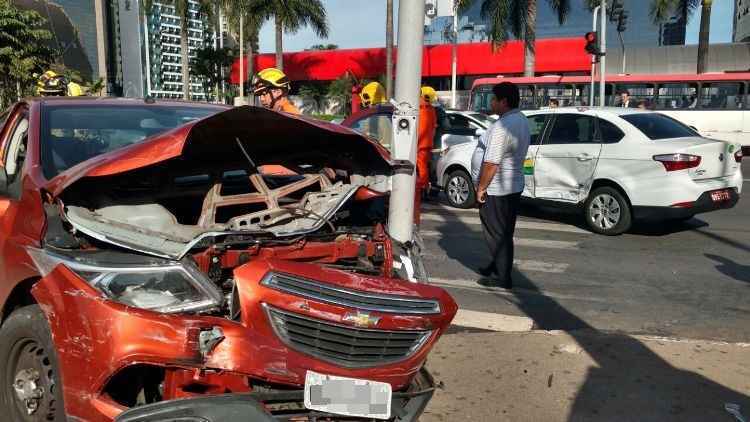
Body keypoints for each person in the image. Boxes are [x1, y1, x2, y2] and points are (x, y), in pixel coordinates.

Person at [471, 82, 530, 289]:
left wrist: (481, 188)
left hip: (496, 189)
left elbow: (491, 161)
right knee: (503, 231)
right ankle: (496, 266)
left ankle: (502, 277)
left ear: (503, 102)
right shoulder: (520, 119)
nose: (491, 102)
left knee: (497, 233)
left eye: (494, 99)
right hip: (512, 186)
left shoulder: (503, 127)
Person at [414, 86, 437, 225]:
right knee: (425, 167)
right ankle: (425, 188)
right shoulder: (431, 109)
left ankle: (422, 189)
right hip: (428, 142)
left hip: (419, 143)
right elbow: (434, 127)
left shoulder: (417, 107)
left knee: (421, 167)